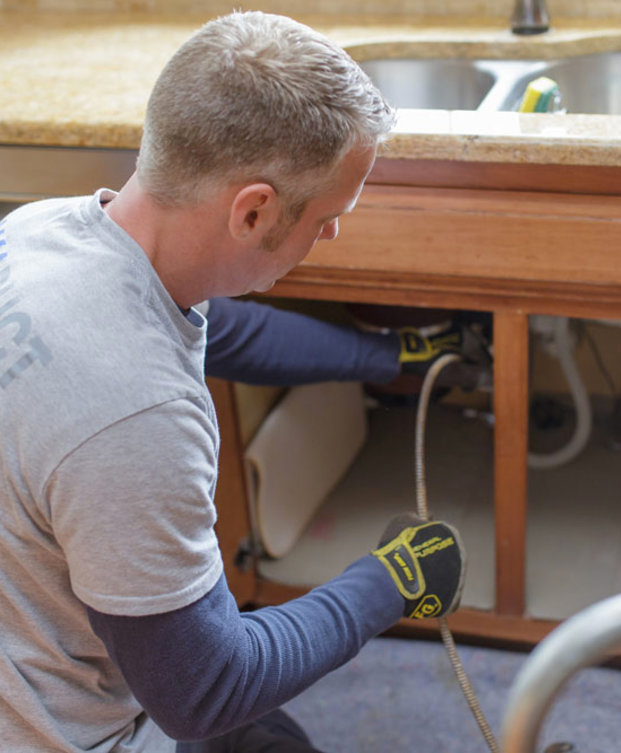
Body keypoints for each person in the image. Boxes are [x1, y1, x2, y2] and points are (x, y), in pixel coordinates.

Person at [0, 11, 466, 753]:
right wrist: (391, 580)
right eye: (325, 217)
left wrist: (388, 355)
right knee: (250, 712)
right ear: (252, 210)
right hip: (65, 734)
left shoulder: (44, 233)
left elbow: (226, 329)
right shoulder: (137, 413)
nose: (333, 234)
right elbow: (206, 687)